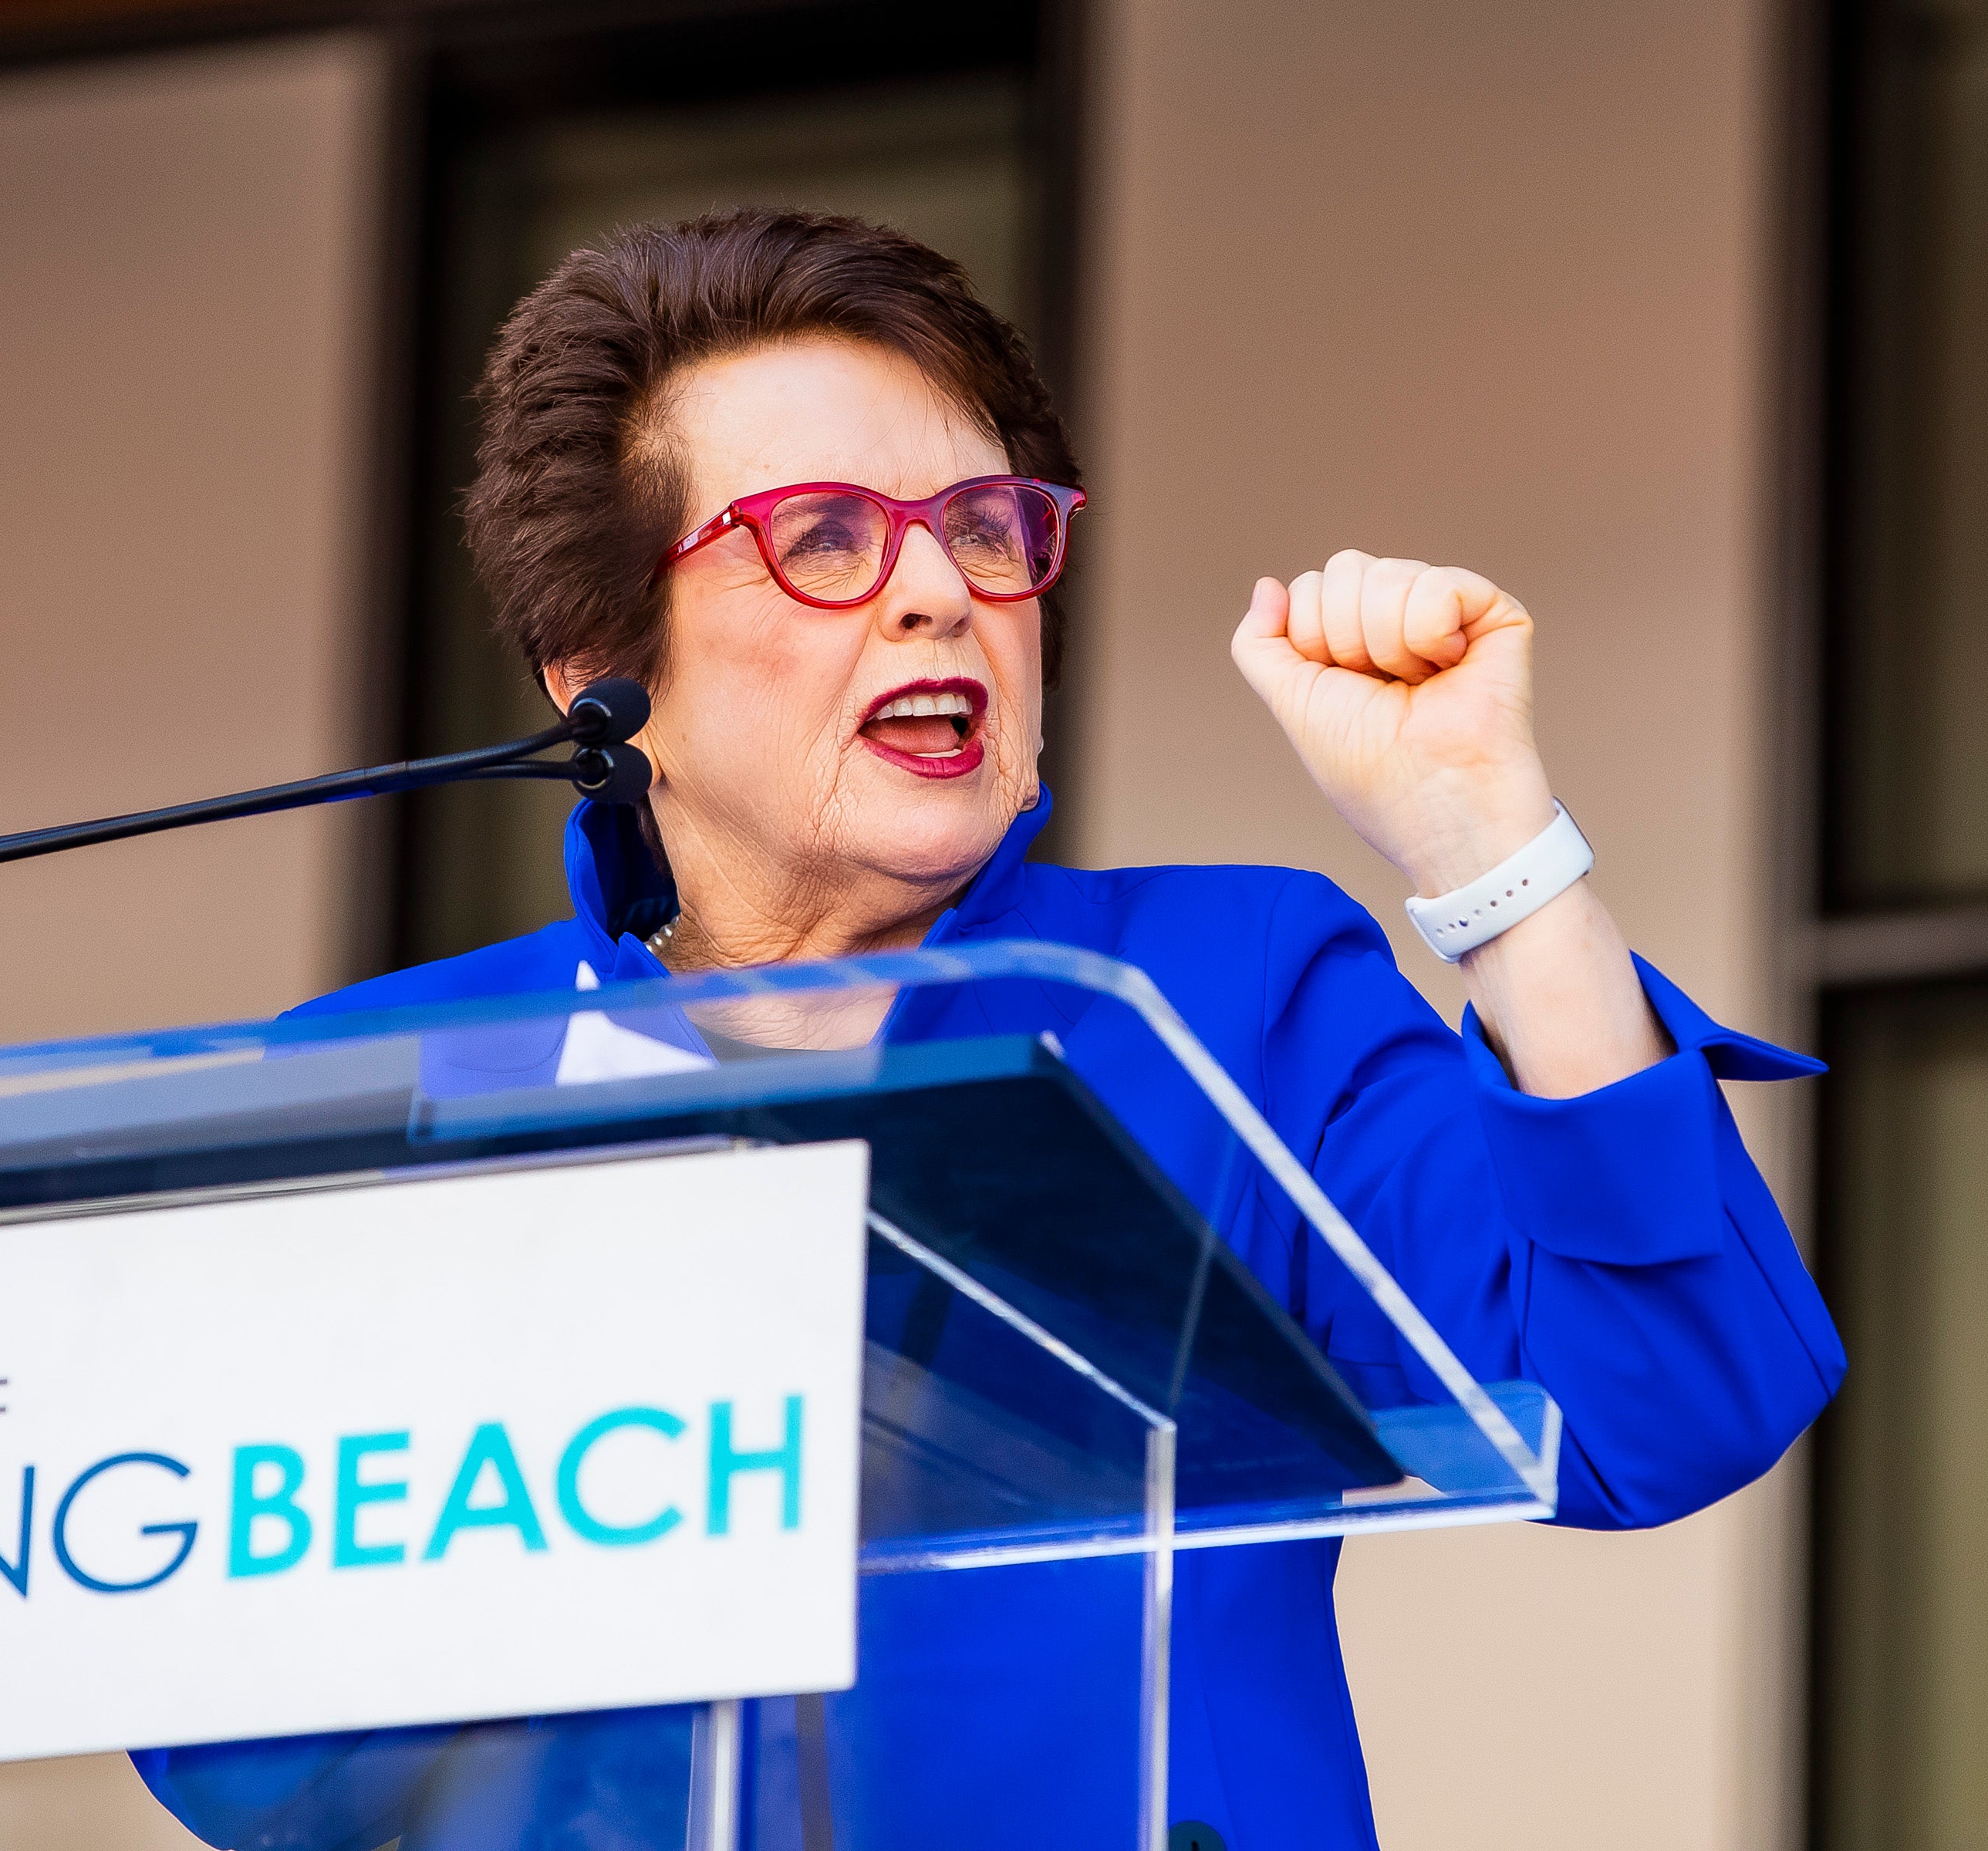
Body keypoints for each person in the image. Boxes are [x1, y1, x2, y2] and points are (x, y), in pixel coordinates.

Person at [133, 207, 1841, 1851]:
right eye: (823, 540)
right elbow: (230, 1732)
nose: (942, 594)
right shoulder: (383, 1090)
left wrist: (1491, 850)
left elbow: (1661, 1407)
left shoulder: (1228, 994)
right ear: (601, 672)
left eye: (983, 525)